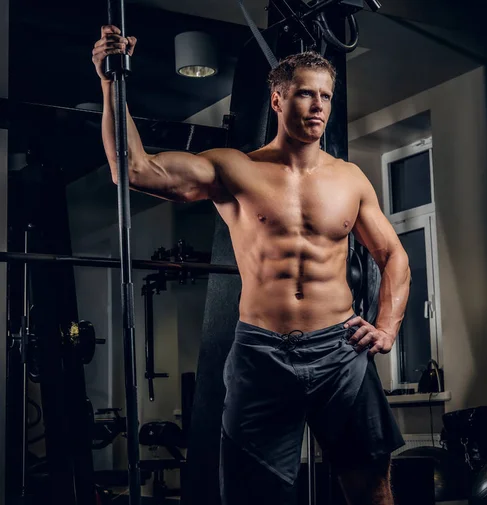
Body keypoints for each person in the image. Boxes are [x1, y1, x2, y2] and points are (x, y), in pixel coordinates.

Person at [93, 24, 411, 505]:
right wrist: (112, 81)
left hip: (340, 351)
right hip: (264, 355)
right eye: (306, 94)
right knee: (252, 494)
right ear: (279, 100)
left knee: (373, 489)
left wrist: (387, 327)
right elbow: (132, 170)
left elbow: (394, 255)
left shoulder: (351, 179)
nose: (319, 105)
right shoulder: (233, 168)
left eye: (325, 95)